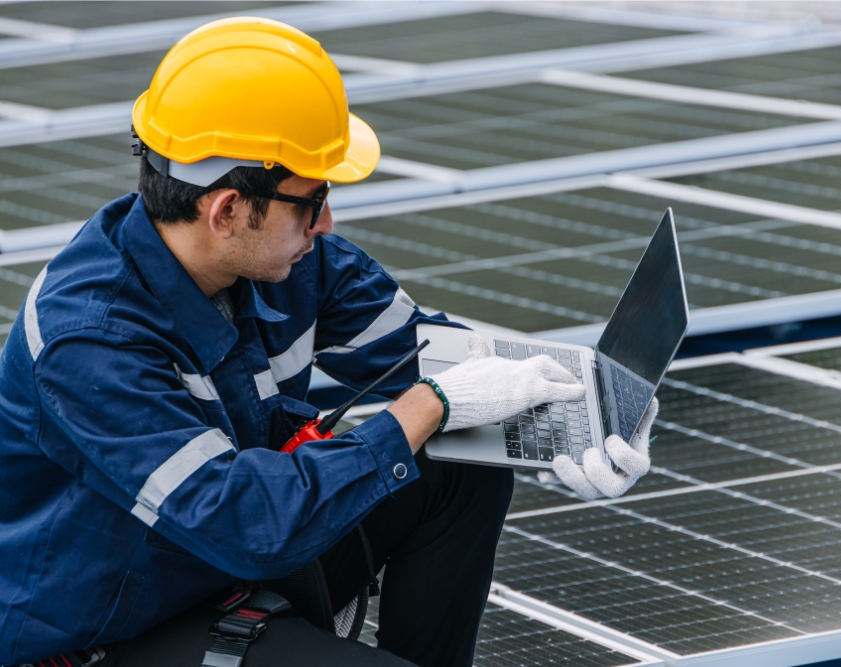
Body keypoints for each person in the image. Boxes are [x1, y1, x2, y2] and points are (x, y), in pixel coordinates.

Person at [0, 17, 654, 667]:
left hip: (222, 558)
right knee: (429, 422)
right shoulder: (87, 342)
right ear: (227, 210)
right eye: (312, 199)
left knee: (459, 462)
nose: (328, 221)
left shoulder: (285, 261)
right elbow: (243, 518)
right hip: (107, 629)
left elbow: (443, 357)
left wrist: (586, 411)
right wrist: (432, 406)